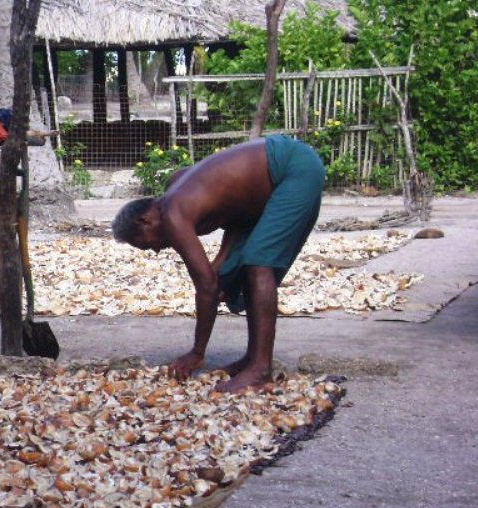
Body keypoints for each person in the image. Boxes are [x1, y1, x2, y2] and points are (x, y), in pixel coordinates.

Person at [111, 135, 325, 393]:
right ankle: (252, 358)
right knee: (236, 273)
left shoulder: (172, 213)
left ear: (144, 221)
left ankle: (261, 369)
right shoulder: (177, 182)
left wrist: (197, 352)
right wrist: (221, 264)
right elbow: (234, 207)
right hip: (265, 191)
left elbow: (206, 287)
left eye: (146, 244)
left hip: (293, 168)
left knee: (258, 265)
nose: (156, 250)